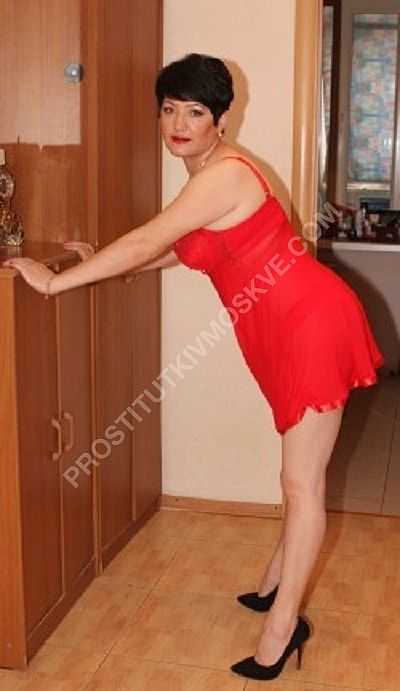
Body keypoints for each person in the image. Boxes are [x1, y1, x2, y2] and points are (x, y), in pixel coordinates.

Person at [3, 53, 384, 682]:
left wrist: (55, 282)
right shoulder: (207, 172)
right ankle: (274, 583)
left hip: (311, 325)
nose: (179, 124)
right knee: (296, 473)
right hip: (281, 330)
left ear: (221, 119)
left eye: (196, 111)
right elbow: (187, 250)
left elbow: (152, 237)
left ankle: (282, 628)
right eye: (170, 110)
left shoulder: (224, 175)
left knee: (302, 483)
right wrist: (104, 264)